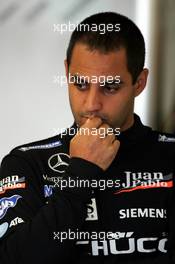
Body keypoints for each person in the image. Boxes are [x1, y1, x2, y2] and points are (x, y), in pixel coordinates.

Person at [0, 11, 175, 264]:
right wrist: (80, 175)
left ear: (139, 82)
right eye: (80, 84)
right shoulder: (27, 164)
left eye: (110, 87)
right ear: (66, 72)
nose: (92, 104)